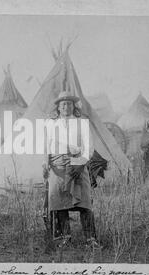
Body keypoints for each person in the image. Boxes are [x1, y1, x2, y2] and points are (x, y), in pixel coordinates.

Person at [42, 91, 101, 249]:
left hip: (78, 165)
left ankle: (91, 239)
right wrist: (45, 163)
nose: (66, 106)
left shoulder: (82, 123)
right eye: (62, 104)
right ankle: (64, 238)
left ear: (73, 106)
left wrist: (79, 163)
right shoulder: (51, 123)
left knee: (84, 203)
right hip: (57, 165)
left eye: (69, 103)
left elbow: (89, 147)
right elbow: (46, 145)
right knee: (59, 202)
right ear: (58, 108)